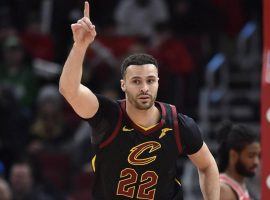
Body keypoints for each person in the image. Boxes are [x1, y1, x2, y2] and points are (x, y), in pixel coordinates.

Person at [59, 1, 220, 199]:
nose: (144, 88)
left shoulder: (178, 124)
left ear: (158, 83)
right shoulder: (108, 116)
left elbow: (207, 165)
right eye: (136, 81)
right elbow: (69, 90)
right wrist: (80, 46)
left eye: (150, 80)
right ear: (123, 85)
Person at [217, 121, 261, 200]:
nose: (256, 162)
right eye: (251, 156)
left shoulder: (240, 185)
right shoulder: (223, 190)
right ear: (233, 155)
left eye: (258, 156)